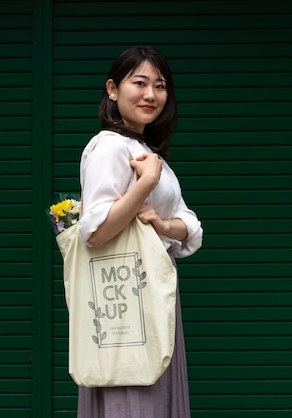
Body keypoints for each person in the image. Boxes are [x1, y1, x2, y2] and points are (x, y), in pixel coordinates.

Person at [76, 45, 203, 417]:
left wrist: (163, 225)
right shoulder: (109, 147)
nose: (151, 95)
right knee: (132, 390)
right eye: (140, 83)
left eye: (160, 86)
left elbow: (189, 225)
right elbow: (95, 231)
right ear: (113, 89)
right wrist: (145, 184)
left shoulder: (144, 149)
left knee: (150, 385)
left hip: (150, 289)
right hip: (126, 297)